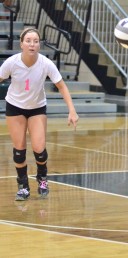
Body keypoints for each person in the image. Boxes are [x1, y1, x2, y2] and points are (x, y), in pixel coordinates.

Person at [0, 28, 79, 201]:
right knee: (19, 152)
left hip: (37, 108)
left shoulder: (45, 63)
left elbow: (62, 86)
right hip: (15, 107)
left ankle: (42, 179)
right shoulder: (12, 63)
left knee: (39, 150)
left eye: (35, 41)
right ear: (21, 44)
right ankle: (23, 186)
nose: (32, 44)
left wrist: (72, 110)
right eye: (28, 40)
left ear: (39, 45)